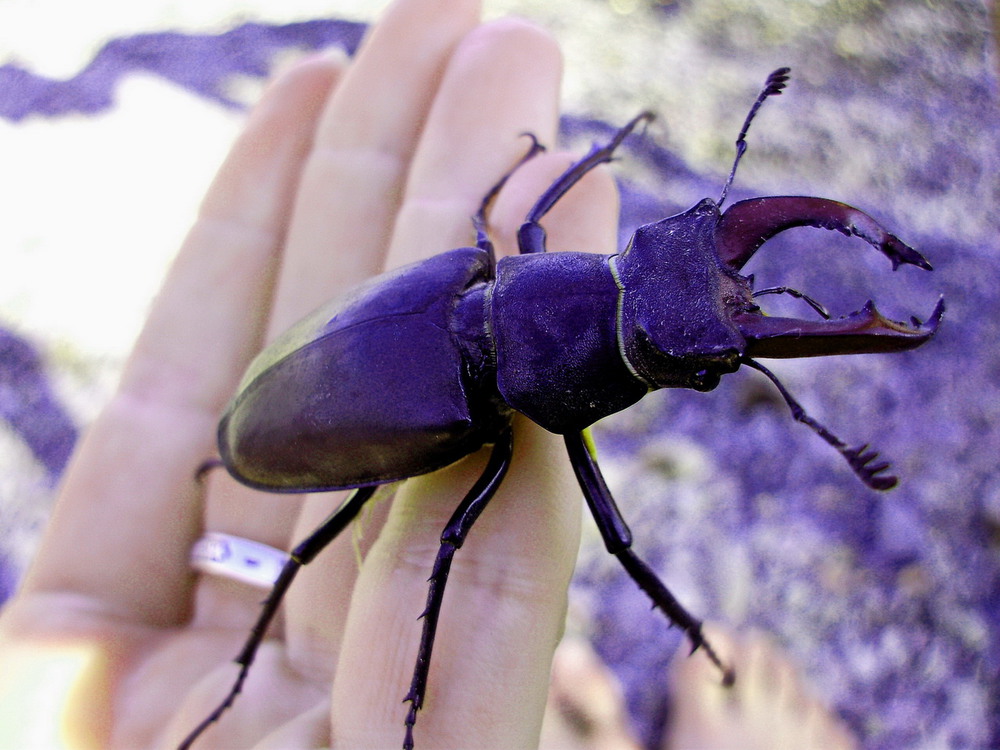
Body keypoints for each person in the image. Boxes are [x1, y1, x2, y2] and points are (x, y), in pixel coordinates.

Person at [0, 0, 859, 747]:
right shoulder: (467, 395)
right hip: (294, 417)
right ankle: (293, 684)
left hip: (321, 380)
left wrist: (603, 154)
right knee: (347, 549)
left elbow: (520, 225)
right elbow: (590, 551)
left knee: (414, 535)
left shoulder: (476, 267)